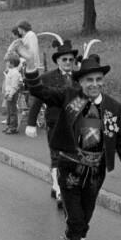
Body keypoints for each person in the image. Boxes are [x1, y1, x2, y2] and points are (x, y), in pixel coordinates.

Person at [20, 42, 121, 240]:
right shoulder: (69, 98)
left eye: (98, 79)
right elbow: (38, 90)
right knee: (75, 218)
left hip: (96, 172)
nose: (94, 84)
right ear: (80, 82)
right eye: (89, 80)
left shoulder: (113, 107)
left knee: (85, 219)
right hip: (70, 169)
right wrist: (30, 65)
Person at [26, 39, 80, 206]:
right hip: (55, 123)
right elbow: (38, 100)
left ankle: (61, 185)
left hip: (75, 125)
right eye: (64, 59)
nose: (68, 62)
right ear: (57, 61)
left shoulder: (80, 78)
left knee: (72, 157)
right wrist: (31, 122)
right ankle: (59, 190)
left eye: (71, 59)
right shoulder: (47, 78)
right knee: (57, 157)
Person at [1, 54, 23, 135]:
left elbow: (14, 86)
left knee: (12, 110)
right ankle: (9, 125)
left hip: (12, 94)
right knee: (9, 110)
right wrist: (7, 93)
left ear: (12, 63)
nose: (6, 63)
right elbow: (8, 84)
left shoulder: (15, 73)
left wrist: (10, 95)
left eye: (8, 62)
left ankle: (13, 127)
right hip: (8, 93)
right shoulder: (10, 71)